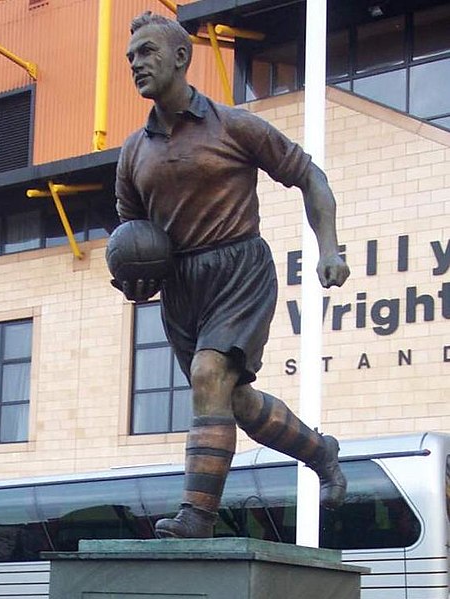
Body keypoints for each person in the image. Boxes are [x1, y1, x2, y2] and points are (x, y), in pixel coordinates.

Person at [114, 11, 351, 539]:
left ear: (181, 56)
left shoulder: (233, 125)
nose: (136, 64)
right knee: (230, 400)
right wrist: (131, 274)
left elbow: (309, 175)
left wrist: (329, 248)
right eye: (130, 56)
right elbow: (130, 233)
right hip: (181, 287)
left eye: (147, 52)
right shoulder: (132, 151)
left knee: (208, 376)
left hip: (237, 268)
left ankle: (197, 516)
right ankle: (321, 451)